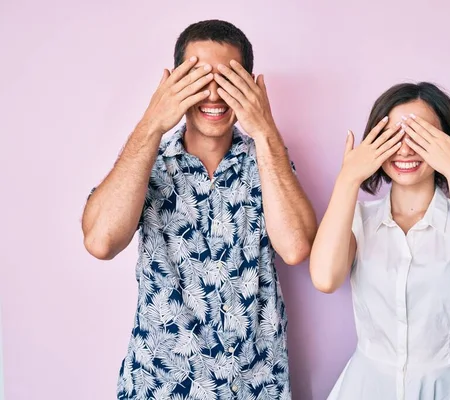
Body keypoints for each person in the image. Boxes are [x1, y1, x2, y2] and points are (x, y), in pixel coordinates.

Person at [82, 19, 317, 399]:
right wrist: (152, 123)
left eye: (227, 80)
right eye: (197, 78)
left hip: (255, 385)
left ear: (249, 86)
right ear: (174, 84)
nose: (213, 95)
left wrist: (265, 130)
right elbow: (100, 241)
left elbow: (295, 247)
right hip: (159, 385)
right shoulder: (146, 160)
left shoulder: (268, 159)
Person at [309, 82, 450, 399]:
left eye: (420, 136)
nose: (405, 149)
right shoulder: (358, 219)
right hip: (365, 387)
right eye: (393, 136)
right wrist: (348, 178)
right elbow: (325, 278)